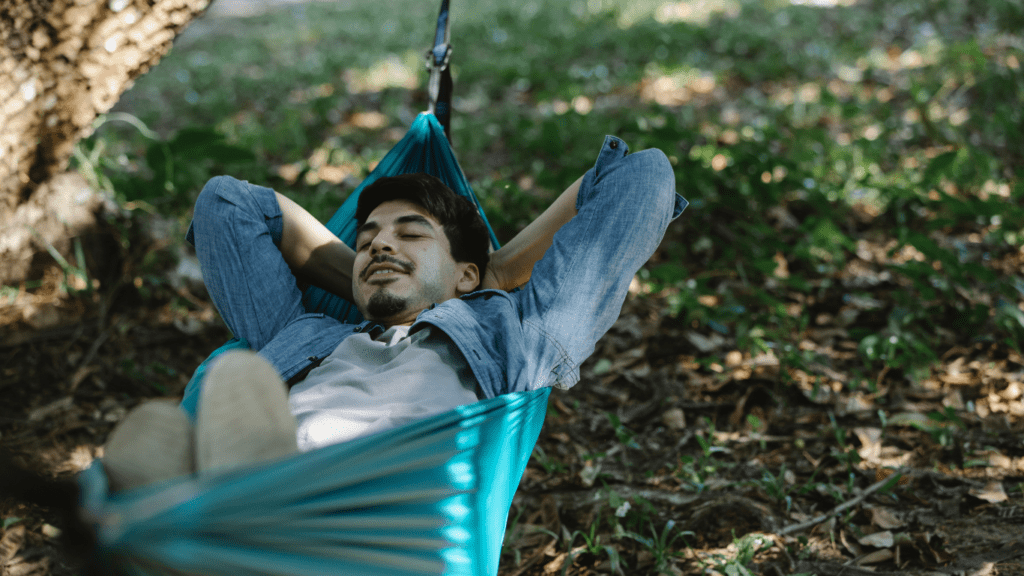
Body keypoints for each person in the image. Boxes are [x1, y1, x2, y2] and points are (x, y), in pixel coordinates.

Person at [102, 136, 686, 491]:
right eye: (368, 240)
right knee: (173, 424)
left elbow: (642, 177)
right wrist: (373, 279)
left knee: (211, 402)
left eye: (411, 233)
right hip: (261, 495)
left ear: (466, 275)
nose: (380, 244)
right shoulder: (304, 335)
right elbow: (227, 206)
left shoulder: (517, 336)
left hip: (382, 515)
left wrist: (499, 273)